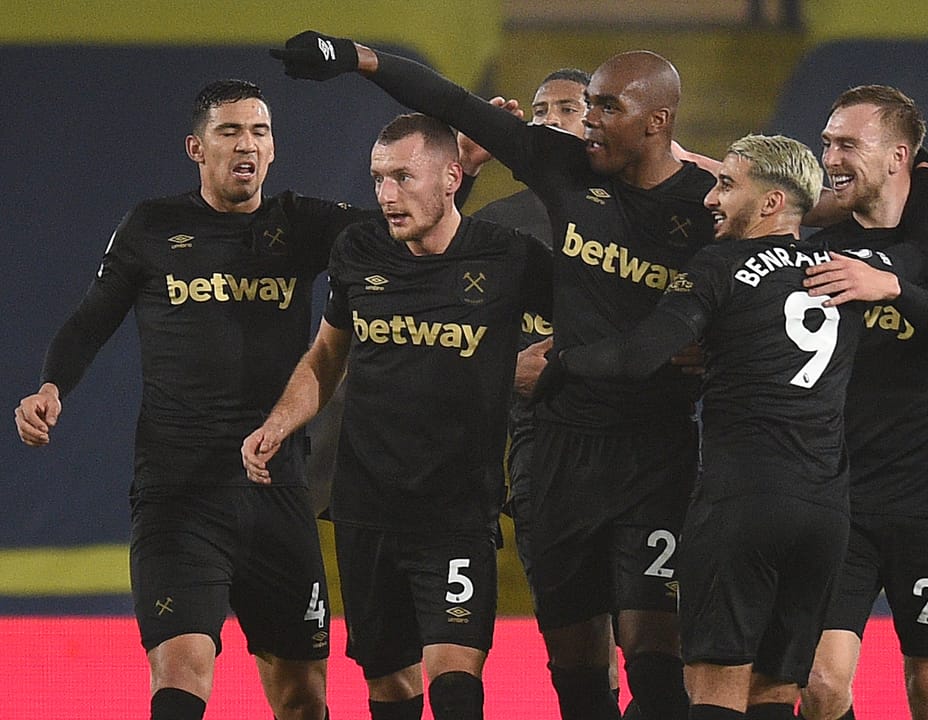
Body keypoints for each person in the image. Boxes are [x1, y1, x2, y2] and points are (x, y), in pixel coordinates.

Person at [270, 30, 720, 720]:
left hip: (653, 450)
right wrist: (357, 57)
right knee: (577, 672)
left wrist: (715, 347)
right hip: (558, 450)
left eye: (605, 108)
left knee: (656, 663)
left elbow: (783, 265)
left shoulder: (713, 203)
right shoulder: (564, 169)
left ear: (658, 122)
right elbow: (451, 103)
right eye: (587, 106)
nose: (588, 121)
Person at [13, 79, 368, 720]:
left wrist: (460, 172)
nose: (247, 144)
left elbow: (400, 236)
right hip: (179, 494)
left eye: (259, 131)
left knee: (301, 692)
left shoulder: (305, 224)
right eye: (229, 131)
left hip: (278, 492)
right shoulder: (153, 227)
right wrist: (50, 386)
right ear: (195, 148)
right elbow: (92, 318)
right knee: (182, 667)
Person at [542, 132, 925, 720]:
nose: (709, 200)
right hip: (825, 511)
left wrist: (558, 362)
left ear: (771, 202)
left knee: (715, 691)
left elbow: (634, 358)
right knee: (775, 693)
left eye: (726, 184)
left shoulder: (719, 265)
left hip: (742, 503)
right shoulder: (850, 273)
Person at [241, 113, 553, 720]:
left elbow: (597, 314)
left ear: (451, 178)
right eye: (379, 178)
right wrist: (282, 420)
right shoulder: (358, 252)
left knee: (455, 681)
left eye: (404, 176)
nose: (387, 194)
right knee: (388, 687)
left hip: (457, 512)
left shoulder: (510, 258)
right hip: (368, 508)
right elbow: (327, 354)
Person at [797, 86, 928, 720]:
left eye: (847, 143)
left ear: (898, 156)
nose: (830, 157)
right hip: (841, 499)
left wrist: (889, 288)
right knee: (822, 685)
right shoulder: (815, 252)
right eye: (827, 143)